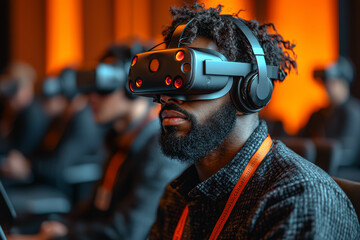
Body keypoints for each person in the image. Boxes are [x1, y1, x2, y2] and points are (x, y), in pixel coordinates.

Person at [128, 4, 360, 239]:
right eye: (166, 81)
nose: (168, 97)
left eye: (190, 78)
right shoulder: (178, 195)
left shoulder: (299, 200)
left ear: (247, 92)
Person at [6, 44, 187, 240]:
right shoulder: (119, 141)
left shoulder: (159, 150)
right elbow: (94, 210)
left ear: (132, 86)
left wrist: (63, 235)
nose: (91, 97)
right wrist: (54, 226)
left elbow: (127, 233)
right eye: (91, 89)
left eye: (104, 88)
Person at [300, 57, 360, 174]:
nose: (327, 86)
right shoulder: (317, 114)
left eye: (333, 82)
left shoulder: (352, 113)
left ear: (344, 83)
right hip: (320, 171)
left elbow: (347, 154)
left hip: (344, 175)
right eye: (326, 81)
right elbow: (300, 140)